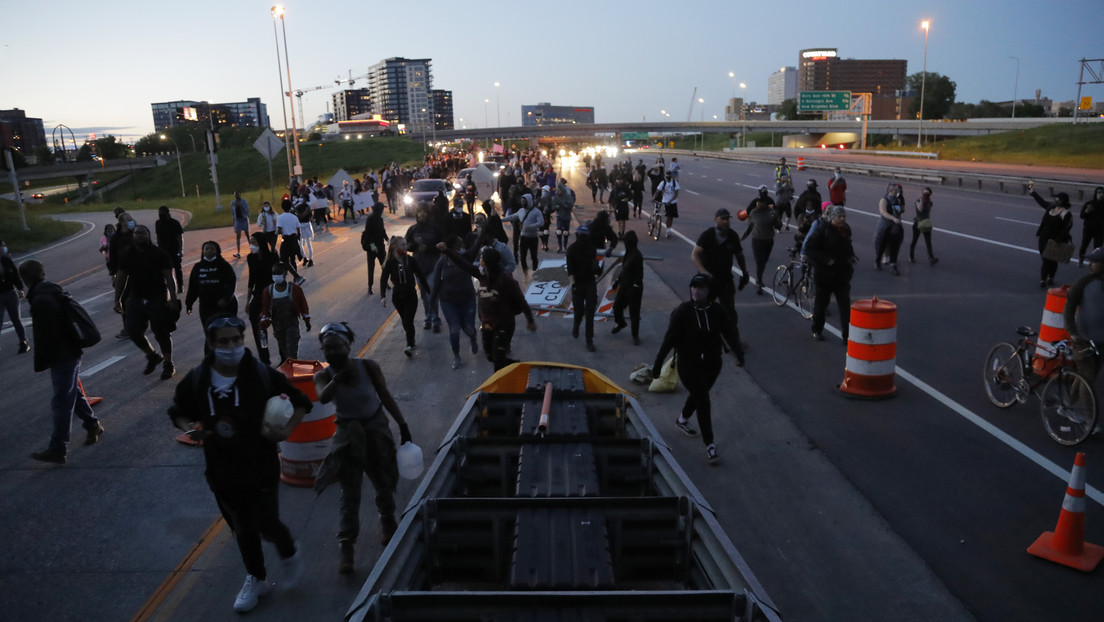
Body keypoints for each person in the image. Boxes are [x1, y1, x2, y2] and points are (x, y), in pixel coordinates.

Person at [168, 315, 311, 613]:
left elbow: (301, 401)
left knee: (266, 523)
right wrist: (190, 428)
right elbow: (178, 411)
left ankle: (288, 551)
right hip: (221, 469)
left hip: (260, 465)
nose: (231, 346)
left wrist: (285, 431)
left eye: (236, 340)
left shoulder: (260, 375)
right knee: (242, 526)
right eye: (224, 341)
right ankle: (256, 577)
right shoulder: (198, 379)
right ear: (211, 344)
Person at [313, 322, 412, 574]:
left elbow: (385, 396)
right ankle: (347, 544)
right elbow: (323, 397)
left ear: (348, 345)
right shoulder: (323, 375)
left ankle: (387, 518)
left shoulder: (368, 367)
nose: (333, 352)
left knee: (383, 479)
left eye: (338, 346)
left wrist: (402, 425)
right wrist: (337, 379)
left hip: (375, 428)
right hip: (348, 434)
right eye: (328, 348)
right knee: (350, 491)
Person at [20, 259, 104, 464]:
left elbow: (46, 337)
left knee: (61, 401)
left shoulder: (41, 301)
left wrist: (43, 361)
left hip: (62, 355)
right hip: (70, 351)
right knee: (72, 392)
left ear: (26, 279)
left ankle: (58, 448)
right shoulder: (51, 292)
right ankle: (93, 425)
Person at [652, 273, 740, 465]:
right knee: (703, 400)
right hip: (688, 364)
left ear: (709, 291)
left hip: (712, 363)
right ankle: (710, 445)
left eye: (700, 288)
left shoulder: (716, 310)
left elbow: (730, 333)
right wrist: (657, 365)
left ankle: (682, 420)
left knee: (700, 393)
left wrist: (739, 354)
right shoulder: (683, 311)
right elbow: (669, 340)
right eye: (693, 286)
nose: (695, 291)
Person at [437, 244, 536, 371]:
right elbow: (463, 264)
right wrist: (447, 251)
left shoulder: (506, 279)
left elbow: (521, 301)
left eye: (482, 258)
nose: (480, 261)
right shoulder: (482, 275)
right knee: (490, 356)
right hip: (487, 323)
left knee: (498, 359)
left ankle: (499, 387)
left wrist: (530, 320)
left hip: (504, 323)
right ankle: (514, 366)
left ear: (487, 262)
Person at [113, 224, 180, 380]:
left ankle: (168, 364)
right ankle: (152, 356)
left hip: (157, 297)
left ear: (148, 236)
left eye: (143, 233)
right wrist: (117, 300)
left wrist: (173, 299)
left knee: (161, 331)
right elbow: (121, 277)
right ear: (133, 236)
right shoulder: (127, 254)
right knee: (132, 330)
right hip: (136, 297)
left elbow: (170, 278)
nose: (140, 236)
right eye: (137, 233)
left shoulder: (159, 254)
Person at [691, 208, 749, 361]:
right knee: (702, 310)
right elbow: (695, 253)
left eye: (728, 219)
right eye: (723, 218)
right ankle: (699, 341)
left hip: (725, 281)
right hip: (708, 282)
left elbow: (739, 255)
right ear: (716, 219)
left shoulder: (732, 236)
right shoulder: (708, 235)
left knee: (730, 312)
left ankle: (733, 341)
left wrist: (744, 272)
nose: (726, 221)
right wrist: (703, 271)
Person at [804, 205, 857, 343]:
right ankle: (817, 330)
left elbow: (848, 247)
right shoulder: (823, 230)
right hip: (825, 276)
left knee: (845, 306)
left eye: (844, 216)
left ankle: (847, 335)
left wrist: (852, 257)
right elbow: (809, 249)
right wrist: (826, 260)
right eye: (839, 216)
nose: (842, 219)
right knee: (821, 305)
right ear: (832, 217)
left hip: (842, 276)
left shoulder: (845, 230)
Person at [430, 236, 480, 369]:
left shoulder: (466, 258)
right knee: (455, 328)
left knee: (468, 327)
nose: (459, 249)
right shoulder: (442, 262)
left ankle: (473, 337)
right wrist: (432, 302)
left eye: (460, 245)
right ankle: (457, 356)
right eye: (456, 246)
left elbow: (478, 270)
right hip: (448, 300)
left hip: (467, 298)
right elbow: (436, 282)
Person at [259, 263, 311, 365]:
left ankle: (294, 376)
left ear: (285, 273)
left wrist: (307, 321)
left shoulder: (295, 289)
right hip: (278, 328)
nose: (276, 275)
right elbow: (265, 310)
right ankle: (290, 375)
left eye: (279, 273)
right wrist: (262, 325)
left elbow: (303, 306)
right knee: (286, 354)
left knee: (292, 353)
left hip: (292, 325)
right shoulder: (268, 291)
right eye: (274, 273)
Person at [379, 236, 423, 357]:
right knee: (405, 321)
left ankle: (409, 345)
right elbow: (384, 279)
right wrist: (383, 296)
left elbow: (420, 274)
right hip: (397, 297)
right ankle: (412, 340)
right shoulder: (390, 262)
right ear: (395, 247)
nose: (405, 247)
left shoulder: (410, 260)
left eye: (405, 244)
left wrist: (429, 291)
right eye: (403, 245)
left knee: (408, 320)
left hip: (411, 296)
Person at [185, 241, 238, 338]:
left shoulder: (224, 266)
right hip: (206, 307)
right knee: (210, 335)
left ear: (217, 251)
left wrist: (226, 299)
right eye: (207, 249)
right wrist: (189, 303)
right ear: (203, 251)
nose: (209, 251)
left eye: (212, 249)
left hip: (224, 306)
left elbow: (232, 283)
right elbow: (193, 287)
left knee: (225, 334)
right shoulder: (198, 267)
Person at [405, 206, 443, 332]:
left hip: (433, 265)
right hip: (419, 267)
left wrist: (428, 248)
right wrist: (415, 244)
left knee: (432, 293)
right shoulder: (413, 229)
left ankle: (435, 319)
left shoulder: (435, 229)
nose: (422, 214)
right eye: (419, 212)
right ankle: (428, 318)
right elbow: (406, 246)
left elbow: (442, 245)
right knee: (424, 296)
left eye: (424, 212)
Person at [566, 224, 601, 352]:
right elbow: (570, 271)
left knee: (590, 312)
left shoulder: (591, 249)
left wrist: (596, 268)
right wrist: (574, 285)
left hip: (589, 282)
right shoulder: (572, 250)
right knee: (579, 311)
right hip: (580, 283)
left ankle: (589, 340)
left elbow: (594, 266)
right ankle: (576, 326)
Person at [1031, 184, 1074, 287]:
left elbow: (1066, 228)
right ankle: (1047, 277)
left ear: (1063, 201)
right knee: (1045, 258)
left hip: (1055, 240)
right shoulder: (1050, 208)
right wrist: (1032, 192)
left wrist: (1058, 240)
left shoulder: (1066, 214)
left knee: (1051, 259)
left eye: (1058, 199)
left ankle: (1046, 278)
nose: (1056, 200)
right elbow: (1041, 202)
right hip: (1043, 237)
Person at [245, 232, 279, 365]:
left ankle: (284, 357)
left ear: (261, 243)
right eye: (250, 242)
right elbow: (251, 279)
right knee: (258, 328)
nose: (251, 245)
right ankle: (265, 359)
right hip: (258, 296)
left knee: (278, 327)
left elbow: (279, 275)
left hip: (273, 295)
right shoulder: (250, 258)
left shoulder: (272, 256)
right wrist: (248, 301)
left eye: (253, 242)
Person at [741, 200, 782, 294]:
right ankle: (759, 281)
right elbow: (750, 227)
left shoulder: (771, 212)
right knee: (760, 261)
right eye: (757, 203)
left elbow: (778, 224)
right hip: (757, 240)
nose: (758, 204)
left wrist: (778, 224)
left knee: (764, 261)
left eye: (761, 202)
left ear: (765, 203)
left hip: (768, 240)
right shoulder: (753, 212)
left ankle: (759, 278)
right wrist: (741, 238)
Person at [610, 230, 643, 345]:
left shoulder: (637, 256)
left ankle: (635, 335)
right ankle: (621, 323)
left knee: (634, 313)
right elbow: (624, 270)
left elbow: (639, 274)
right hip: (624, 286)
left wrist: (635, 286)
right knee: (617, 307)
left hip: (633, 289)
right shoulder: (628, 253)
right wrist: (617, 281)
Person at [501, 192, 544, 277]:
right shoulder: (521, 211)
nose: (523, 203)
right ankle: (525, 272)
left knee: (534, 256)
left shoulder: (536, 212)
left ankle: (535, 271)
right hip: (524, 237)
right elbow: (512, 217)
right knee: (522, 256)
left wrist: (531, 226)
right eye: (522, 201)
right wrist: (501, 220)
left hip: (533, 237)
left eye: (525, 201)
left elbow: (541, 222)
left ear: (529, 201)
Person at [0, 240, 29, 354]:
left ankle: (23, 342)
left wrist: (20, 288)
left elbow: (15, 274)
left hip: (10, 292)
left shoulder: (6, 260)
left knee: (16, 319)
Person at [874, 183, 906, 275]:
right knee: (882, 244)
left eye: (898, 190)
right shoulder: (884, 200)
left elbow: (898, 212)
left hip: (895, 225)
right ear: (890, 190)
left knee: (895, 245)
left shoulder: (896, 200)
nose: (897, 191)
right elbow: (883, 212)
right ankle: (878, 260)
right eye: (896, 190)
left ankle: (893, 265)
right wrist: (893, 218)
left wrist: (901, 204)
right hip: (885, 225)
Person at [155, 206, 184, 293]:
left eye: (162, 213)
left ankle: (180, 285)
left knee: (177, 268)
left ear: (167, 213)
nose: (160, 215)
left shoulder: (174, 223)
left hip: (174, 249)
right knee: (165, 269)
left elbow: (179, 237)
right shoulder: (158, 223)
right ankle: (167, 286)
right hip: (163, 250)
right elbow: (158, 237)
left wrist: (180, 250)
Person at [360, 201, 388, 294]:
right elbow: (368, 233)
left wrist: (387, 239)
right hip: (372, 248)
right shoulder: (370, 219)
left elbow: (382, 230)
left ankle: (385, 283)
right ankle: (370, 286)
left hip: (380, 246)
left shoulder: (380, 219)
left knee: (384, 266)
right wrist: (372, 245)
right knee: (371, 268)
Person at [909, 188, 939, 265]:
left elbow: (926, 211)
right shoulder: (918, 201)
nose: (924, 193)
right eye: (924, 192)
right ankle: (911, 256)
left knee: (928, 241)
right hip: (918, 223)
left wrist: (923, 199)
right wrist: (922, 199)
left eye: (926, 193)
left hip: (924, 223)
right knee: (914, 240)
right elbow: (920, 208)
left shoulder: (929, 203)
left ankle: (931, 258)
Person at [1078, 187, 1104, 266]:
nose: (1100, 194)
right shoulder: (1089, 203)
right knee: (1084, 245)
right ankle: (1081, 260)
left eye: (1102, 192)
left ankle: (1094, 263)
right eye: (1098, 192)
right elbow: (1082, 216)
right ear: (1095, 194)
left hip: (1100, 230)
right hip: (1088, 229)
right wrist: (1086, 211)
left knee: (1097, 248)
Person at [654, 171, 679, 239]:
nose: (668, 176)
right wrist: (653, 198)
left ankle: (669, 229)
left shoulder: (675, 183)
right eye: (667, 175)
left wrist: (670, 201)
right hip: (665, 202)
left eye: (669, 175)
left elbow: (676, 194)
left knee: (671, 217)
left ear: (671, 176)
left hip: (673, 202)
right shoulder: (663, 183)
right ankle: (667, 230)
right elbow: (658, 191)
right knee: (668, 216)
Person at [552, 182, 575, 253]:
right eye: (557, 190)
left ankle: (565, 246)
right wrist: (556, 207)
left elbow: (571, 205)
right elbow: (552, 206)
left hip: (567, 216)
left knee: (565, 232)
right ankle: (560, 246)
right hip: (560, 216)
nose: (558, 191)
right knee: (559, 231)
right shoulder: (555, 197)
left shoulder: (568, 196)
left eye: (559, 190)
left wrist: (565, 205)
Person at [230, 191, 250, 258]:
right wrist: (234, 223)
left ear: (240, 195)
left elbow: (247, 210)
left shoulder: (244, 201)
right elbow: (233, 213)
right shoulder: (233, 203)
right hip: (237, 220)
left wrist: (241, 206)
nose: (237, 196)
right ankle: (238, 252)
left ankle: (252, 249)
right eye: (235, 195)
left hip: (244, 219)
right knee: (238, 236)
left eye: (238, 194)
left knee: (247, 235)